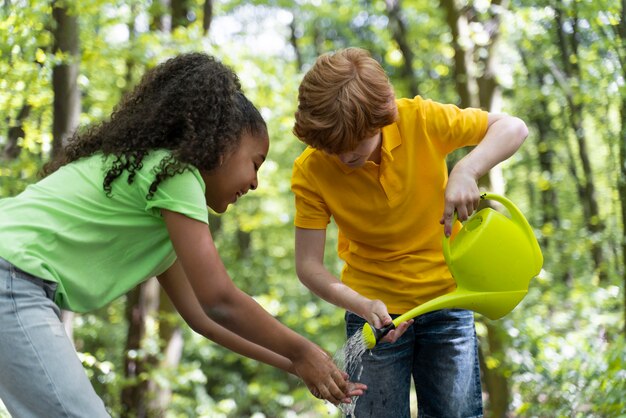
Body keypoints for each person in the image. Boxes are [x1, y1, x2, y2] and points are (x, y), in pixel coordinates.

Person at [0, 52, 365, 418]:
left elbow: (202, 318)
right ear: (223, 143)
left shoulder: (156, 196)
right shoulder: (175, 174)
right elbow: (218, 299)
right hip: (13, 275)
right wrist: (301, 351)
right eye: (255, 163)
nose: (255, 183)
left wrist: (296, 364)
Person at [290, 47, 528, 418]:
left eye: (353, 149)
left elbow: (513, 127)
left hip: (448, 301)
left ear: (381, 119)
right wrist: (361, 305)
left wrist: (466, 169)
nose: (342, 159)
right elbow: (308, 266)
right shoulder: (311, 170)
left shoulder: (420, 118)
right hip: (373, 316)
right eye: (332, 150)